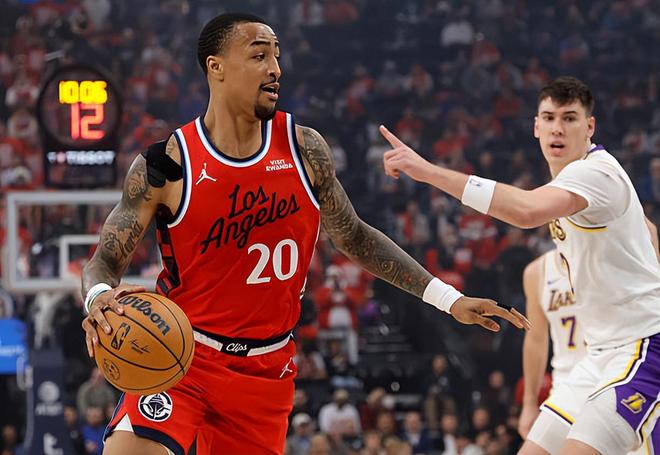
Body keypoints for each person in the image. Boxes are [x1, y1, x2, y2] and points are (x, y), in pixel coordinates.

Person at [80, 13, 529, 455]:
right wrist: (98, 296)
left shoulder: (304, 149)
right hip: (181, 354)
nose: (275, 68)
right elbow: (103, 261)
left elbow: (355, 236)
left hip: (266, 370)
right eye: (259, 55)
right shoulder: (168, 164)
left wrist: (449, 299)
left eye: (277, 55)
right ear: (216, 67)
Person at [380, 76, 660, 454]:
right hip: (597, 354)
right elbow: (647, 229)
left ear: (590, 126)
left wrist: (428, 171)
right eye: (549, 118)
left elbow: (526, 211)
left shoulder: (595, 172)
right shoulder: (577, 181)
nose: (558, 128)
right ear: (536, 126)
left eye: (570, 118)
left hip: (642, 347)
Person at [517, 249, 585, 441]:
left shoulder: (611, 252)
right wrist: (529, 403)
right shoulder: (537, 271)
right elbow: (536, 339)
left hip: (611, 379)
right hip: (566, 385)